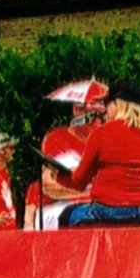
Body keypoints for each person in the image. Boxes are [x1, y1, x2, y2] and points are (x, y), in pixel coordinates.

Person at [59, 79, 140, 225]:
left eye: (106, 104)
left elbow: (79, 182)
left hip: (109, 209)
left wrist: (58, 175)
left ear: (115, 104)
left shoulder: (102, 133)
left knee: (68, 214)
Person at [31, 79, 106, 229]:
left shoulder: (106, 140)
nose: (99, 120)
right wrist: (90, 193)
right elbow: (49, 186)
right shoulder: (56, 139)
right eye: (94, 114)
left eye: (102, 111)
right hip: (59, 207)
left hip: (98, 207)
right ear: (77, 111)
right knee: (85, 217)